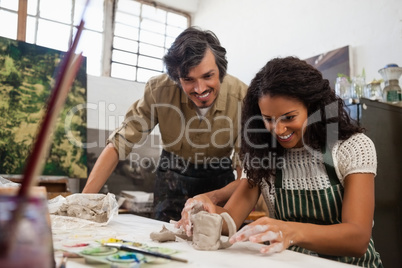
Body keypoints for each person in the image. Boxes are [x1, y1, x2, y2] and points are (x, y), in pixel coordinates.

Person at [176, 56, 383, 267]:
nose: (278, 130)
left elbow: (358, 238)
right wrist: (205, 209)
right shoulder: (265, 155)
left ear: (313, 108)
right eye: (268, 119)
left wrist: (291, 231)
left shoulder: (352, 147)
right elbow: (230, 219)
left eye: (289, 117)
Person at [82, 27, 248, 222]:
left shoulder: (243, 97)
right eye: (188, 80)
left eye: (208, 76)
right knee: (164, 239)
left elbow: (244, 173)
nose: (200, 89)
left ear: (221, 70)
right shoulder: (159, 90)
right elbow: (120, 142)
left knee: (216, 242)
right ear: (176, 77)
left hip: (220, 181)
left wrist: (229, 212)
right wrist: (83, 201)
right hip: (172, 177)